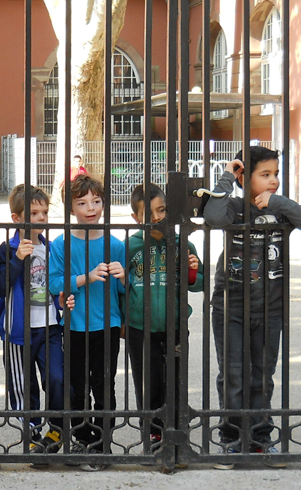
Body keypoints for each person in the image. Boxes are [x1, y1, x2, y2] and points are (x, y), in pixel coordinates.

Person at [204, 146, 301, 469]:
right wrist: (228, 177)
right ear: (246, 176)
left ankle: (260, 438)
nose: (273, 181)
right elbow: (212, 217)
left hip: (270, 309)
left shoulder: (281, 210)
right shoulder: (231, 206)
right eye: (265, 175)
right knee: (233, 375)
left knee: (262, 376)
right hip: (230, 307)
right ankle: (231, 439)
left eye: (276, 175)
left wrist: (279, 202)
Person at [47, 173, 125, 471]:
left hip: (107, 324)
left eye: (96, 201)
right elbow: (55, 283)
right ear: (71, 207)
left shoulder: (115, 243)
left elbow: (123, 289)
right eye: (82, 202)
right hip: (75, 325)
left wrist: (122, 275)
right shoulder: (62, 242)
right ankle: (82, 438)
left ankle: (103, 445)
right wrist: (86, 277)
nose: (91, 207)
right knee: (77, 387)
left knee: (104, 385)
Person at [0, 184, 70, 466]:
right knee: (24, 388)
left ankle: (58, 430)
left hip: (50, 327)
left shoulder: (52, 248)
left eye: (44, 212)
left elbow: (57, 285)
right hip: (18, 330)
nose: (41, 218)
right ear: (16, 218)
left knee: (58, 378)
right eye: (34, 213)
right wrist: (17, 259)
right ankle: (33, 434)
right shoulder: (7, 248)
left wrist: (62, 302)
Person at [125, 183, 203, 450]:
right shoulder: (131, 245)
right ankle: (153, 434)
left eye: (162, 210)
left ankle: (177, 433)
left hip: (175, 325)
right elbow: (120, 287)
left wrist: (193, 270)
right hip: (139, 327)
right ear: (136, 218)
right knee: (147, 382)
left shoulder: (184, 243)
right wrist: (124, 320)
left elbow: (200, 281)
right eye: (149, 213)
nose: (157, 217)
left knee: (175, 380)